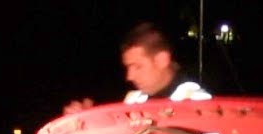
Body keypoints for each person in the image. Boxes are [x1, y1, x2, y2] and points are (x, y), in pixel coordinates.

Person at [64, 22, 210, 114]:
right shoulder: (134, 100)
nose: (129, 76)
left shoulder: (198, 102)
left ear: (162, 60)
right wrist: (87, 120)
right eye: (128, 67)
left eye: (137, 67)